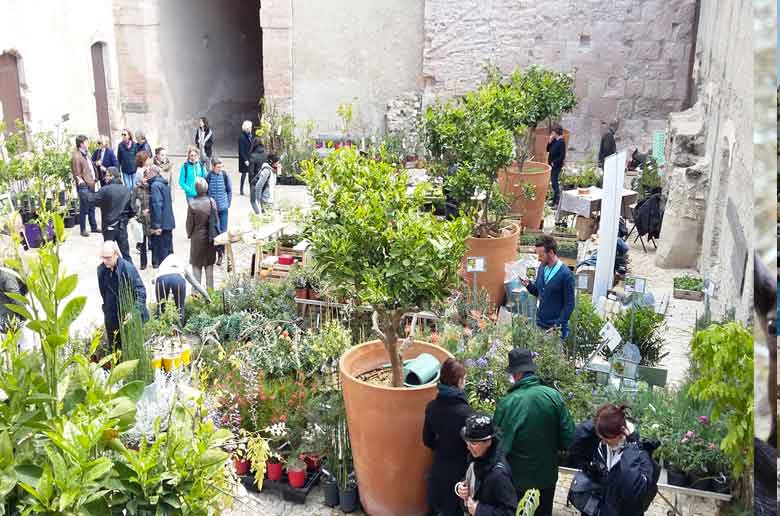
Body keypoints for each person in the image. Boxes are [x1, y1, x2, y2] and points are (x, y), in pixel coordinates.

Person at [493, 348, 575, 516]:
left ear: (516, 375)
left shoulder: (508, 403)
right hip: (546, 478)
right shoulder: (554, 396)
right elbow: (569, 438)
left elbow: (497, 447)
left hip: (516, 481)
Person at [568, 404, 659, 516]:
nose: (604, 442)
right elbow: (575, 446)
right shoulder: (603, 446)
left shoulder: (641, 454)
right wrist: (602, 421)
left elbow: (634, 492)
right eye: (601, 438)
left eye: (607, 439)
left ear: (621, 433)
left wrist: (631, 448)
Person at [423, 358, 473, 516]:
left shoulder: (432, 407)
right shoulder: (466, 412)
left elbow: (427, 440)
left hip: (438, 468)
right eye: (464, 379)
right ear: (459, 381)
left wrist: (441, 444)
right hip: (459, 472)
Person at [454, 413, 518, 516]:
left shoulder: (499, 474)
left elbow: (510, 512)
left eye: (473, 444)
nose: (468, 447)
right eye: (467, 442)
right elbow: (467, 479)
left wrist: (478, 509)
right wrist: (460, 488)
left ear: (488, 442)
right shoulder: (476, 458)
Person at [520, 235, 575, 338]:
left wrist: (557, 325)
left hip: (554, 329)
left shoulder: (566, 274)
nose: (539, 259)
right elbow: (539, 292)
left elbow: (570, 304)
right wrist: (528, 285)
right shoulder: (542, 268)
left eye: (541, 255)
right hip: (540, 324)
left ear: (551, 253)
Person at [97, 240, 148, 349]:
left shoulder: (127, 268)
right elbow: (103, 293)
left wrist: (133, 312)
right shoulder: (102, 270)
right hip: (112, 316)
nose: (105, 261)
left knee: (131, 347)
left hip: (128, 315)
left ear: (116, 255)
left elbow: (141, 292)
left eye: (108, 258)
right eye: (103, 257)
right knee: (115, 347)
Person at [153, 253, 210, 324]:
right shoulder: (182, 265)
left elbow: (153, 280)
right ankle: (180, 329)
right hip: (178, 278)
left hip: (162, 278)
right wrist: (207, 297)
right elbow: (195, 283)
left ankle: (161, 329)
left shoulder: (162, 264)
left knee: (161, 308)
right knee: (180, 307)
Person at [94, 167, 133, 263]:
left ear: (112, 176)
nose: (104, 178)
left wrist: (82, 186)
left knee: (108, 253)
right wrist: (126, 218)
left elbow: (92, 200)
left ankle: (110, 274)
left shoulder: (105, 190)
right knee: (126, 254)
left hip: (109, 226)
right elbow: (132, 209)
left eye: (106, 175)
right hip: (122, 225)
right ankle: (130, 274)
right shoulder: (126, 190)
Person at [186, 177, 218, 289]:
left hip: (197, 238)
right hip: (210, 238)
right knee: (209, 269)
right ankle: (211, 294)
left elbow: (189, 224)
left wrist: (189, 234)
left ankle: (196, 296)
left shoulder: (192, 204)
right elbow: (216, 221)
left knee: (196, 269)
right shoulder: (212, 201)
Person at [70, 135, 99, 237]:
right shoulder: (76, 156)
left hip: (91, 183)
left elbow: (90, 167)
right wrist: (81, 182)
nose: (88, 143)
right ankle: (83, 229)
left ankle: (94, 227)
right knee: (84, 208)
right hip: (84, 185)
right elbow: (76, 173)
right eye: (87, 142)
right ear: (81, 144)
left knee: (92, 207)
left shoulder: (86, 154)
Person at [206, 157, 232, 266]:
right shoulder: (208, 176)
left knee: (223, 232)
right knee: (215, 233)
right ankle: (219, 253)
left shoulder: (225, 175)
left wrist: (228, 203)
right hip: (213, 210)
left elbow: (229, 190)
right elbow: (206, 192)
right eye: (218, 167)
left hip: (224, 208)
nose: (220, 169)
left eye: (221, 167)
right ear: (213, 167)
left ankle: (223, 254)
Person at [148, 165, 175, 267]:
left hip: (162, 223)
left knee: (163, 252)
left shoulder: (155, 186)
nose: (146, 175)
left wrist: (157, 225)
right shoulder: (163, 184)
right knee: (168, 249)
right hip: (168, 221)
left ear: (153, 173)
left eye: (148, 172)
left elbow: (157, 205)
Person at [132, 167, 152, 270]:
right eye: (145, 177)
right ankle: (143, 263)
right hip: (141, 219)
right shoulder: (136, 189)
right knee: (142, 242)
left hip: (152, 218)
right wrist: (138, 213)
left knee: (153, 241)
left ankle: (155, 261)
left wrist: (150, 210)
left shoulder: (153, 187)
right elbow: (132, 203)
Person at [546, 125, 566, 206]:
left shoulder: (561, 142)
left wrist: (554, 162)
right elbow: (547, 149)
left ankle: (557, 202)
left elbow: (562, 156)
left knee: (554, 183)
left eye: (553, 132)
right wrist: (549, 142)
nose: (551, 133)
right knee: (553, 182)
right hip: (552, 165)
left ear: (556, 132)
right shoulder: (554, 140)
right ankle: (554, 201)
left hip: (556, 166)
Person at [247, 137, 268, 214]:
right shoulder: (266, 154)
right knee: (262, 199)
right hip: (264, 180)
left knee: (253, 201)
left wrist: (250, 182)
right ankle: (264, 213)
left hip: (255, 180)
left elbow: (251, 172)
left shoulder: (253, 156)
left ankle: (258, 214)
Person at [238, 120, 253, 195]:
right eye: (250, 127)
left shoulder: (250, 135)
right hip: (244, 159)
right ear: (246, 128)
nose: (251, 129)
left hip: (250, 157)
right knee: (244, 174)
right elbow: (241, 150)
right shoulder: (242, 137)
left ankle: (251, 189)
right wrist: (245, 160)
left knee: (251, 174)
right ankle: (241, 189)